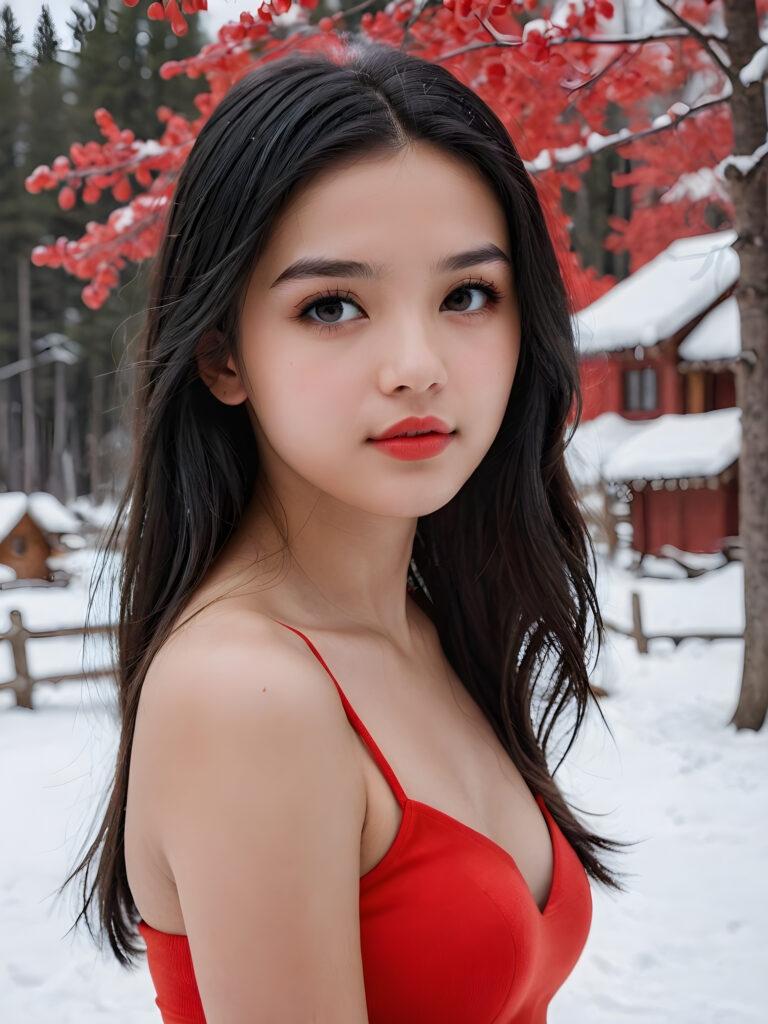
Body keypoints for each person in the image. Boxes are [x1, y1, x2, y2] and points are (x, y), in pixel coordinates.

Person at [63, 37, 632, 1024]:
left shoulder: (424, 625)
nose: (416, 364)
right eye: (332, 305)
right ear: (221, 354)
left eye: (466, 295)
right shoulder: (250, 691)